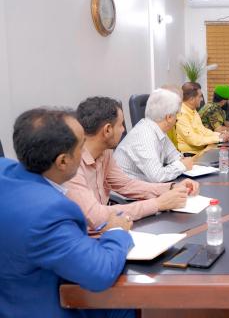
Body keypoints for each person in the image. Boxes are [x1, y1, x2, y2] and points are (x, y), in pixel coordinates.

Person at [0, 108, 134, 318]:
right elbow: (100, 273)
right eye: (81, 146)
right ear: (62, 161)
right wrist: (116, 231)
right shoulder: (48, 212)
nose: (85, 151)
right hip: (40, 306)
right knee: (129, 300)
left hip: (17, 286)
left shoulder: (4, 169)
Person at [64, 97, 199, 232]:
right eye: (121, 125)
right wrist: (158, 204)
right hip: (84, 235)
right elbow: (97, 216)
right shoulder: (70, 164)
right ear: (107, 130)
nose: (123, 130)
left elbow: (126, 185)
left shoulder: (105, 153)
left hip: (107, 228)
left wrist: (171, 187)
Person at [114, 89, 195, 182]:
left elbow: (175, 157)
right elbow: (157, 176)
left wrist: (182, 162)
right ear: (169, 117)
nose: (177, 118)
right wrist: (182, 165)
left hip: (144, 185)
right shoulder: (144, 135)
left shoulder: (158, 130)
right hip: (126, 189)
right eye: (176, 114)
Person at [177, 82, 229, 153]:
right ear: (191, 99)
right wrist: (219, 139)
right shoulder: (181, 114)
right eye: (200, 96)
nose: (202, 99)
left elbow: (203, 131)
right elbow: (193, 139)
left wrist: (220, 135)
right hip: (191, 154)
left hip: (201, 150)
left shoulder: (193, 111)